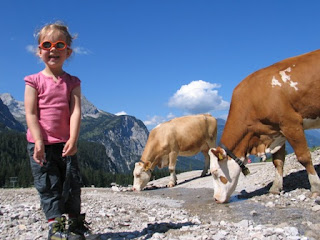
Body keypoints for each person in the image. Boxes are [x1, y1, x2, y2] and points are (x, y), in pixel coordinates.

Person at [24, 21, 90, 240]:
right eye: (47, 44)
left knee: (71, 183)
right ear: (39, 50)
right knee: (48, 185)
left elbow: (75, 111)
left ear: (68, 52)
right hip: (40, 145)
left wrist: (73, 138)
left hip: (65, 144)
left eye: (59, 45)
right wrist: (39, 141)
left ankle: (75, 224)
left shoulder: (72, 82)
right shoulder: (33, 81)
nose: (53, 49)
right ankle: (56, 226)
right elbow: (31, 114)